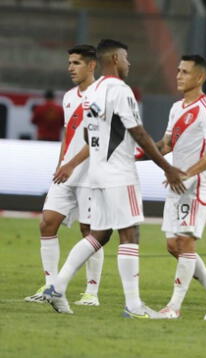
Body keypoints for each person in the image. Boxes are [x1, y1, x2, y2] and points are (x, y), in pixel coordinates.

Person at [43, 39, 186, 318]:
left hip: (96, 174)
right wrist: (165, 167)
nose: (129, 64)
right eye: (127, 58)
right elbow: (139, 133)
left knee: (100, 234)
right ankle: (134, 306)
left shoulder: (92, 92)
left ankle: (57, 286)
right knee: (130, 234)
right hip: (119, 174)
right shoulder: (121, 90)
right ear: (117, 59)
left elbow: (87, 133)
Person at [149, 55, 206, 320]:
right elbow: (167, 144)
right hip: (177, 185)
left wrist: (186, 174)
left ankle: (173, 307)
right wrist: (139, 151)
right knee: (173, 245)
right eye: (178, 71)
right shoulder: (176, 108)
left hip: (195, 186)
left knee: (185, 242)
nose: (178, 76)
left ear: (200, 77)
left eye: (185, 72)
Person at [24, 45, 104, 307]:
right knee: (47, 222)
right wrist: (61, 165)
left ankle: (91, 292)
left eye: (77, 63)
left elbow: (97, 139)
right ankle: (50, 285)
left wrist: (70, 165)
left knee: (88, 231)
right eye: (69, 62)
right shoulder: (69, 97)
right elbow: (69, 137)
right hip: (67, 172)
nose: (71, 67)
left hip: (92, 173)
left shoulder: (102, 95)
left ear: (91, 65)